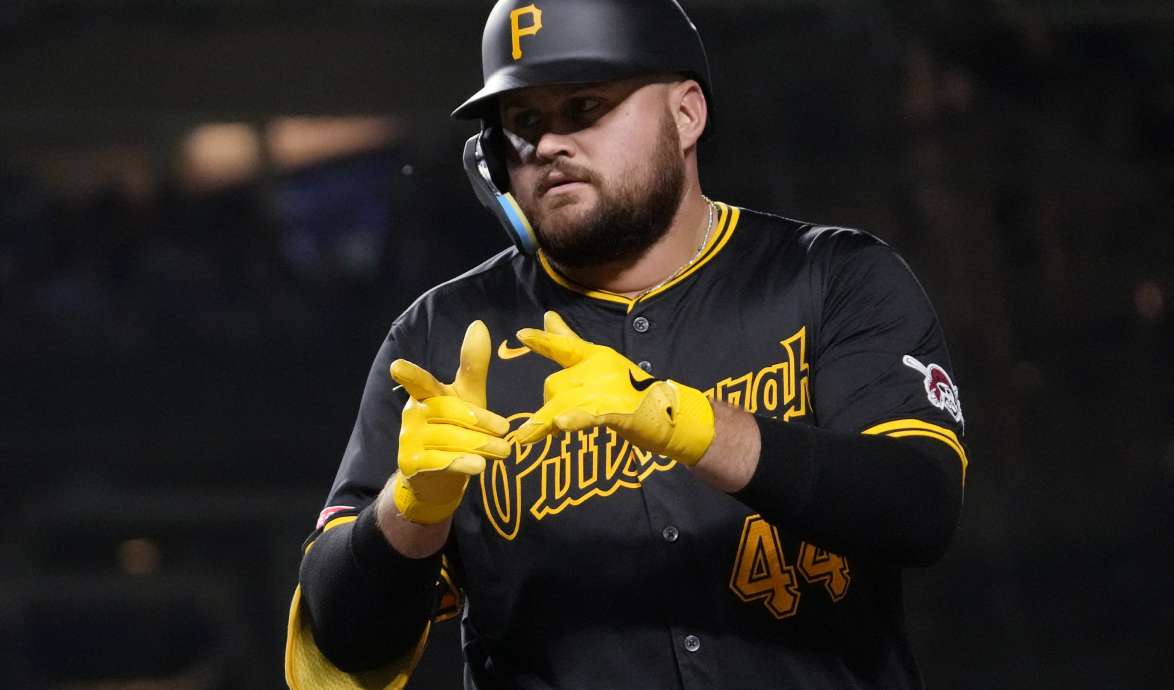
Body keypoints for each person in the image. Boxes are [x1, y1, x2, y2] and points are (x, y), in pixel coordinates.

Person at [285, 0, 968, 688]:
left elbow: (918, 507)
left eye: (584, 106)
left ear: (687, 113)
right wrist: (409, 510)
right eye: (523, 122)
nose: (549, 143)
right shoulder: (444, 339)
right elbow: (338, 654)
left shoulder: (832, 279)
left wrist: (691, 425)